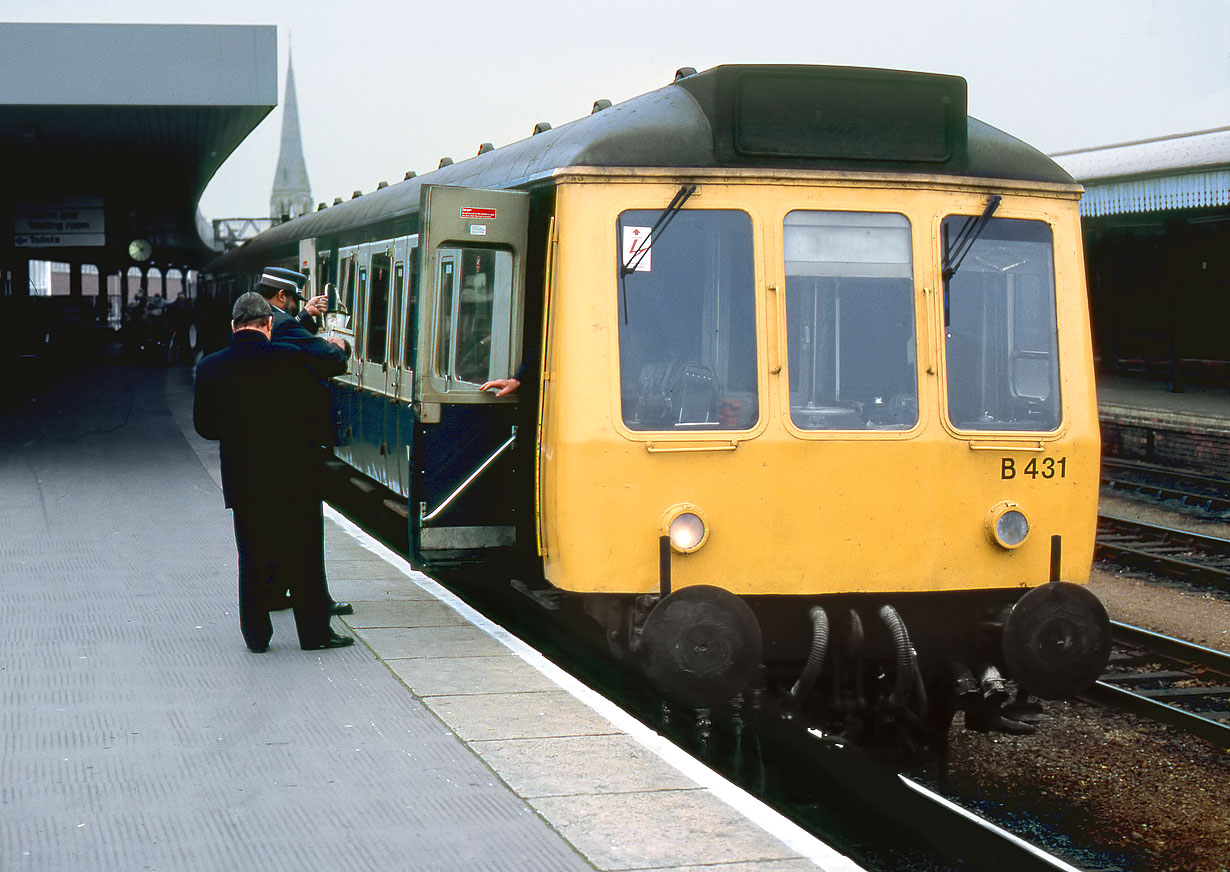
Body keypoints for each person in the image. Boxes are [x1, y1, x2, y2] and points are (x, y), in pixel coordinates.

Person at [193, 292, 354, 652]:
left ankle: (256, 637)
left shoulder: (211, 366)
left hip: (243, 477)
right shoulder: (291, 358)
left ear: (233, 325)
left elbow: (205, 426)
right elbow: (317, 403)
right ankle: (314, 634)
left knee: (250, 556)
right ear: (269, 324)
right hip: (294, 475)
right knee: (304, 553)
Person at [254, 267, 354, 617]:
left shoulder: (266, 323)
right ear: (282, 297)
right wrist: (339, 345)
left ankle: (274, 591)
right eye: (294, 298)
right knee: (306, 525)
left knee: (278, 525)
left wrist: (305, 316)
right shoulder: (283, 324)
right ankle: (316, 602)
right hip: (297, 442)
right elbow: (330, 359)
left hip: (270, 442)